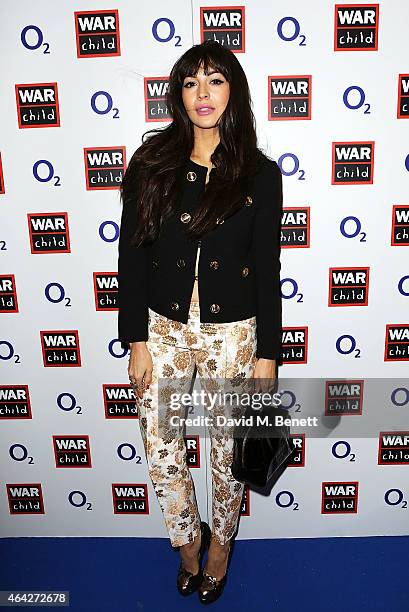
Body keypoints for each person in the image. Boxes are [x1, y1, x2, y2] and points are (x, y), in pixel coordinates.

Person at [117, 39, 283, 604]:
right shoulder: (152, 163)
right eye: (191, 82)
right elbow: (131, 254)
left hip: (233, 334)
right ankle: (187, 542)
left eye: (214, 80)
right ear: (178, 94)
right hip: (162, 328)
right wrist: (135, 339)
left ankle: (221, 549)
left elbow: (267, 267)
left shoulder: (259, 174)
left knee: (225, 452)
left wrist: (268, 354)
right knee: (161, 445)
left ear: (232, 90)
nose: (202, 93)